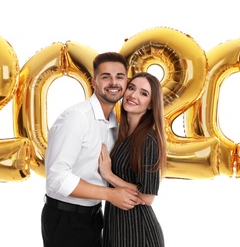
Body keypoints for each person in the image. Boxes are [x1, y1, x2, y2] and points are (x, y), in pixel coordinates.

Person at [41, 52, 145, 247]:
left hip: (95, 215)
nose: (113, 82)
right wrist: (110, 195)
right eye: (106, 77)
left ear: (126, 82)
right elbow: (57, 178)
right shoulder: (77, 118)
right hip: (66, 219)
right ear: (93, 82)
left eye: (119, 77)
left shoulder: (115, 124)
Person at [99, 72, 167, 247]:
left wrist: (109, 176)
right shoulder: (121, 133)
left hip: (137, 231)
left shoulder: (148, 139)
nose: (133, 95)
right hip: (117, 226)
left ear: (151, 104)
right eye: (131, 88)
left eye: (143, 93)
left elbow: (148, 196)